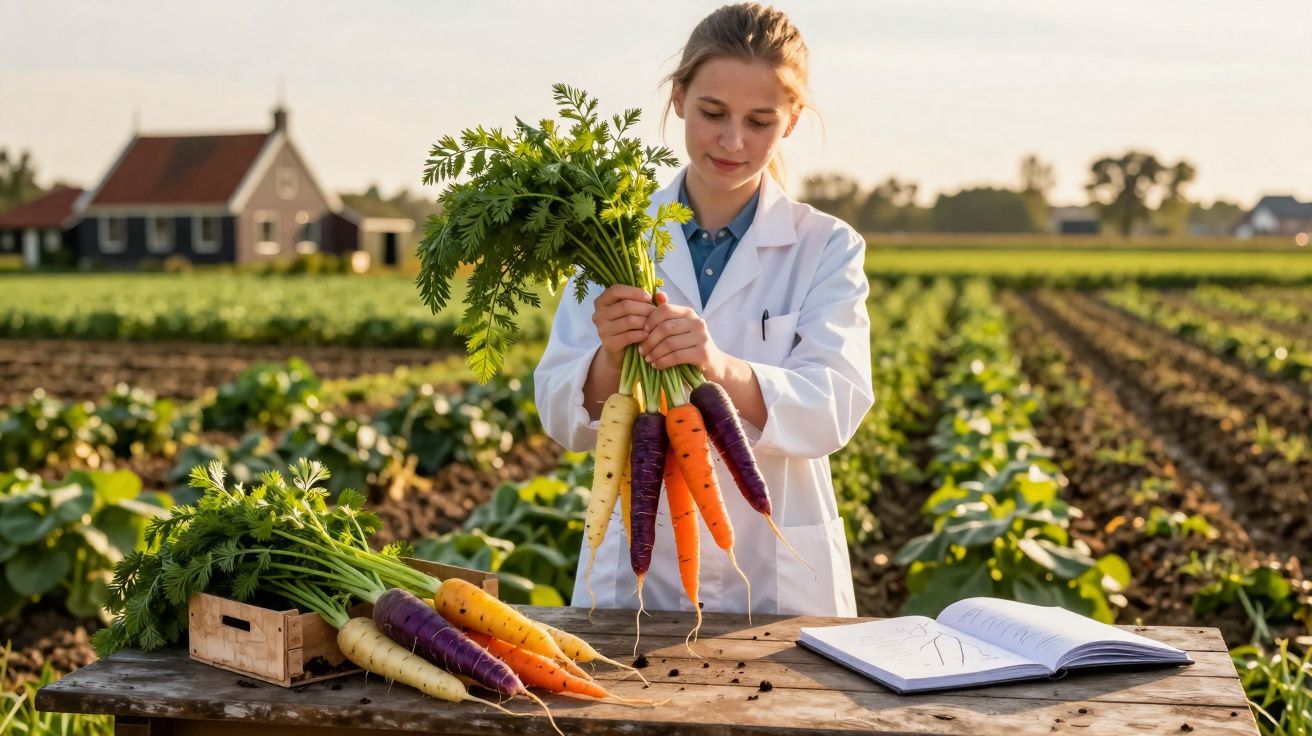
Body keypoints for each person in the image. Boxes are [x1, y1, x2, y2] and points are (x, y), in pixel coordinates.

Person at [534, 2, 873, 617]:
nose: (732, 140)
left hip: (779, 579)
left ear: (792, 121)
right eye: (713, 113)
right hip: (638, 572)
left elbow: (836, 407)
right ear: (679, 97)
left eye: (760, 121)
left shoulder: (827, 247)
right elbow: (561, 414)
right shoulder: (611, 235)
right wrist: (609, 360)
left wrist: (720, 365)